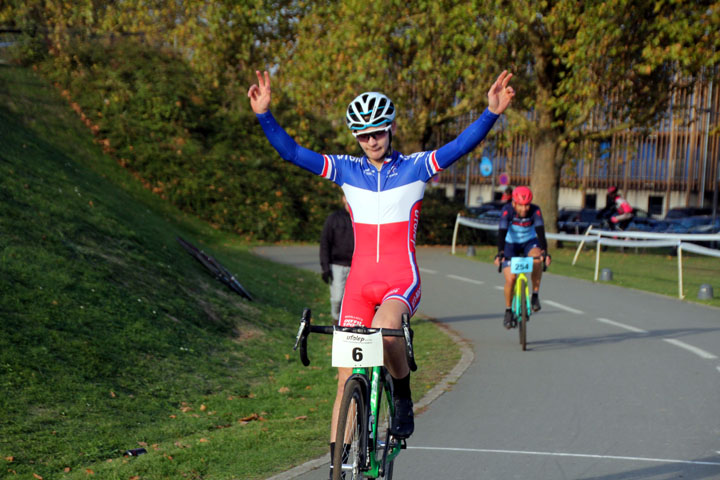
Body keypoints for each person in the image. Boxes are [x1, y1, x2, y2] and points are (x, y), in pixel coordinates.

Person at [248, 69, 514, 474]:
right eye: (363, 135)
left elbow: (460, 145)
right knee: (345, 379)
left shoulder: (417, 166)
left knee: (389, 329)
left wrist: (490, 114)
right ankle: (338, 468)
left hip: (398, 281)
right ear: (356, 137)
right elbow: (293, 153)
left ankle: (403, 393)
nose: (372, 141)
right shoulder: (344, 169)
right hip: (358, 285)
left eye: (378, 132)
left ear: (390, 129)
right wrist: (265, 115)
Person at [493, 186, 552, 328]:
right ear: (514, 203)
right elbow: (502, 231)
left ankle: (535, 296)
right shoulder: (507, 211)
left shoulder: (535, 210)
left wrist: (544, 251)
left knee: (537, 259)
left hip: (529, 242)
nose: (524, 209)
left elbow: (540, 231)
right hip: (510, 244)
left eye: (527, 205)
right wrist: (500, 253)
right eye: (521, 205)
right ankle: (508, 311)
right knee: (511, 278)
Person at [320, 195, 353, 325]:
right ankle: (336, 322)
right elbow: (325, 243)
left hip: (356, 266)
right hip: (337, 265)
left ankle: (347, 324)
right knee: (337, 298)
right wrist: (325, 267)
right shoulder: (334, 219)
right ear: (343, 198)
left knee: (352, 299)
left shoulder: (361, 219)